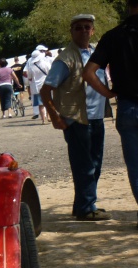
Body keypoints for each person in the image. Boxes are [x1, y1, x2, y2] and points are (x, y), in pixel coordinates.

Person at [83, 0, 138, 231]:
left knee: (136, 168)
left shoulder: (112, 36)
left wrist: (108, 93)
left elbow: (88, 72)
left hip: (127, 108)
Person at [41, 15, 111, 222]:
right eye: (78, 28)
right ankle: (86, 208)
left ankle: (83, 204)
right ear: (71, 32)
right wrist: (55, 116)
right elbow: (46, 90)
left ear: (93, 31)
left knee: (95, 164)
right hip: (77, 118)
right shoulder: (66, 59)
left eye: (87, 27)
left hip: (96, 117)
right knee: (85, 166)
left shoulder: (94, 53)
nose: (83, 31)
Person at [24, 47, 52, 123]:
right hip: (46, 85)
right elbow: (50, 73)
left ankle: (43, 120)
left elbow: (29, 78)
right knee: (48, 102)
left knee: (41, 105)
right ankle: (49, 117)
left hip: (36, 87)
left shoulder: (31, 67)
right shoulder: (45, 64)